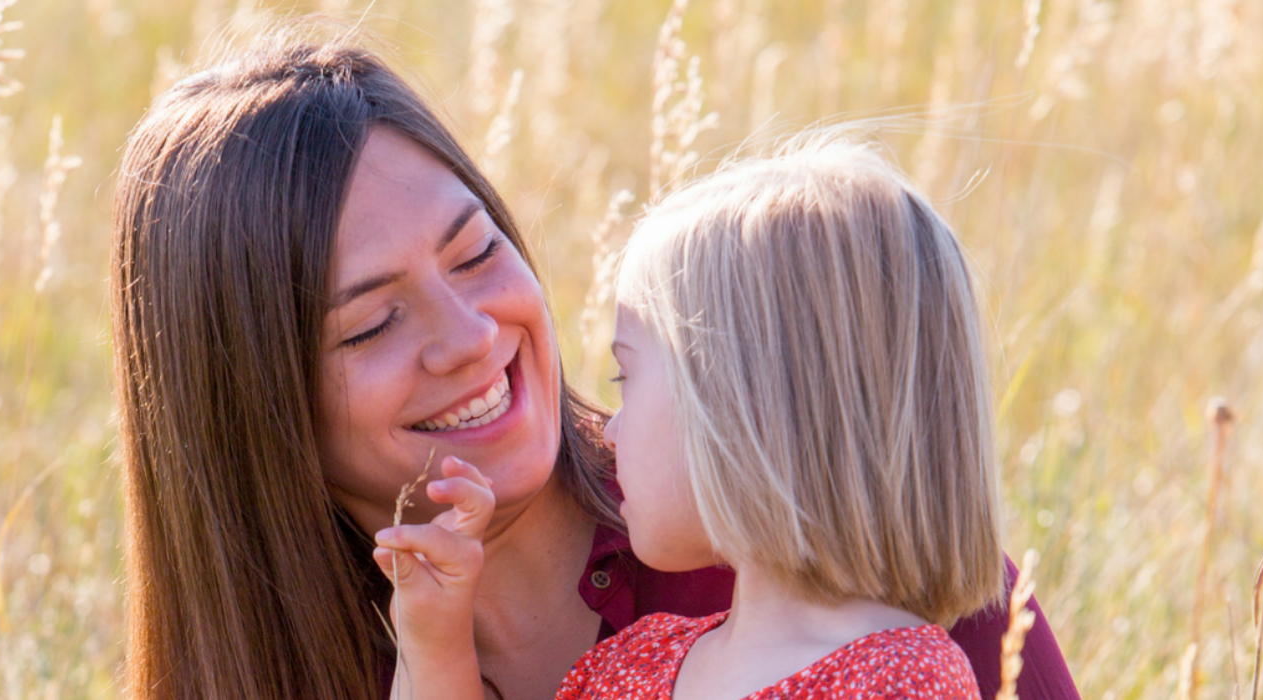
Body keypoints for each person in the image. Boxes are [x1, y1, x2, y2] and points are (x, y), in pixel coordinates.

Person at [108, 24, 1081, 700]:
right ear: (253, 407)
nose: (471, 335)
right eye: (369, 325)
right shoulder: (280, 663)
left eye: (476, 252)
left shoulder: (832, 535)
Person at [379, 135, 1007, 700]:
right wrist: (434, 646)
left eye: (627, 377)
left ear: (741, 411)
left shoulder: (901, 679)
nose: (610, 428)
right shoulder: (631, 665)